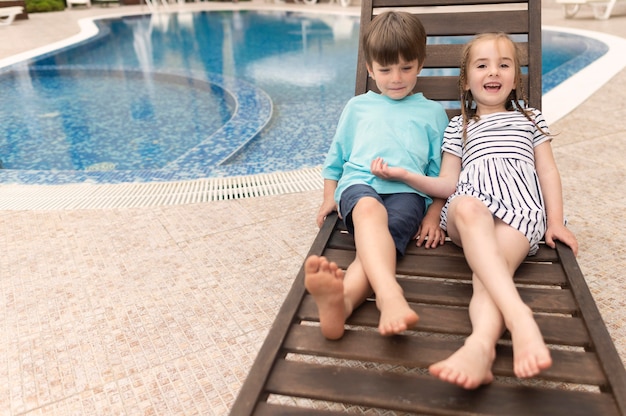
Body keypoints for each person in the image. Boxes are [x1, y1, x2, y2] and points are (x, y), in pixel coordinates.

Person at [370, 32, 579, 388]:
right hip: (469, 209)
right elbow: (449, 184)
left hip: (520, 211)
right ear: (466, 82)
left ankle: (480, 346)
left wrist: (555, 221)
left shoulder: (530, 119)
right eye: (482, 65)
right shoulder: (459, 127)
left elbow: (547, 170)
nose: (493, 72)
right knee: (467, 206)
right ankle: (520, 317)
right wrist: (408, 177)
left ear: (516, 78)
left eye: (504, 64)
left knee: (488, 276)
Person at [304, 11, 449, 340]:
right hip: (360, 187)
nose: (396, 77)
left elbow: (440, 172)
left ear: (420, 63)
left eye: (406, 67)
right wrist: (329, 197)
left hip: (408, 195)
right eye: (385, 69)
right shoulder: (357, 107)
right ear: (370, 69)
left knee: (374, 252)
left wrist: (434, 214)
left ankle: (342, 304)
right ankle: (390, 296)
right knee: (371, 213)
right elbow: (335, 159)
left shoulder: (433, 113)